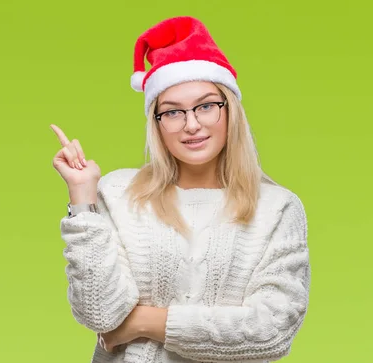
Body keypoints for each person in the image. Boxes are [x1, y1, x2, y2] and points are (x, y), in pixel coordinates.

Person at [50, 16, 310, 363]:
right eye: (172, 112)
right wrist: (83, 200)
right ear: (156, 124)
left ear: (230, 111)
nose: (191, 124)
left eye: (205, 106)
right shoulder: (119, 192)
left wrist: (145, 321)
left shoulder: (278, 208)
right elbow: (100, 314)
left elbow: (271, 333)